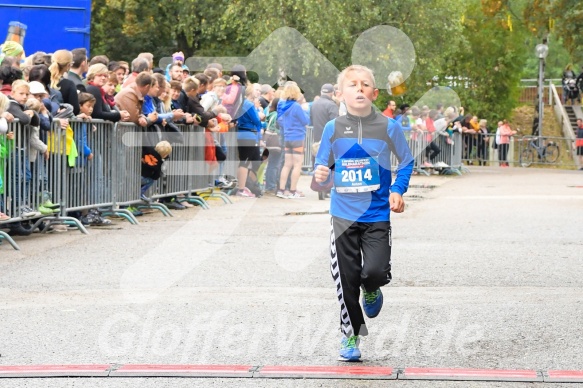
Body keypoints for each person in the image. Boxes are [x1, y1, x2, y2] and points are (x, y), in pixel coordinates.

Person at [313, 65, 413, 362]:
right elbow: (322, 172)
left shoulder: (389, 127)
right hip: (342, 215)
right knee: (346, 280)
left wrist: (397, 189)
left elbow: (406, 162)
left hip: (377, 213)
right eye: (352, 85)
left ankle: (372, 289)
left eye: (365, 84)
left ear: (374, 93)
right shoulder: (333, 129)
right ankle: (350, 334)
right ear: (340, 94)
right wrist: (320, 174)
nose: (359, 89)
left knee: (374, 272)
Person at [276, 82, 309, 199]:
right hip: (298, 137)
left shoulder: (283, 105)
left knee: (287, 165)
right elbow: (305, 121)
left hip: (287, 136)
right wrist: (305, 110)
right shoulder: (296, 106)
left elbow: (279, 121)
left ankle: (281, 189)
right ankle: (293, 190)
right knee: (297, 165)